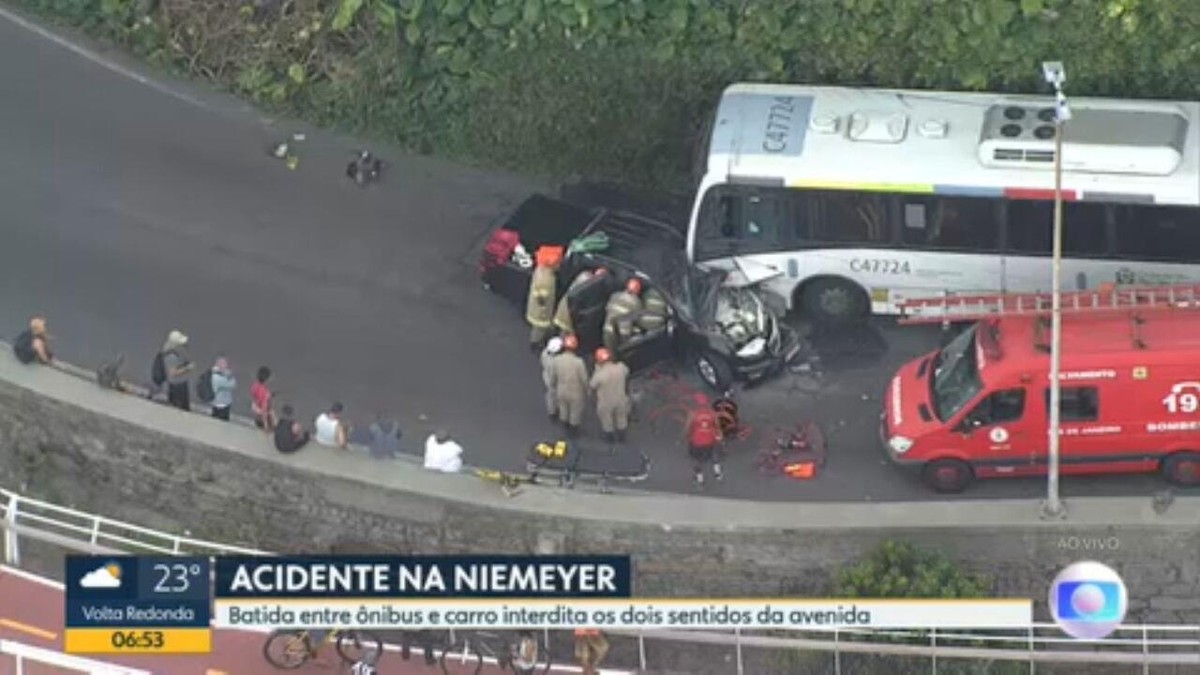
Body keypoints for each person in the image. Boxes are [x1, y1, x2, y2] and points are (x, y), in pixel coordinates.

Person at [551, 334, 589, 438]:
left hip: (561, 390)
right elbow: (584, 379)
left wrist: (553, 385)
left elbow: (553, 376)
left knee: (563, 410)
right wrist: (588, 390)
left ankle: (564, 428)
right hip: (575, 392)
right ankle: (573, 432)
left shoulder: (557, 360)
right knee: (575, 412)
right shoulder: (579, 362)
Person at [590, 348, 630, 443]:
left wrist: (597, 370)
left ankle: (610, 439)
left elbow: (592, 385)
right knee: (621, 418)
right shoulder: (621, 368)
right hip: (621, 399)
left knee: (607, 420)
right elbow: (627, 371)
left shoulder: (599, 375)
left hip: (606, 402)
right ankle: (622, 437)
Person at [525, 246, 560, 352]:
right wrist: (544, 306)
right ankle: (535, 343)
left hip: (540, 308)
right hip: (541, 311)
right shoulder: (545, 277)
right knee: (539, 328)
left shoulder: (542, 269)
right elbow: (541, 297)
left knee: (540, 327)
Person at [685, 395, 724, 487]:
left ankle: (700, 480)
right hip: (710, 440)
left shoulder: (693, 413)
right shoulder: (712, 413)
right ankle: (718, 473)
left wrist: (684, 437)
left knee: (696, 460)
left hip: (696, 442)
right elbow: (718, 427)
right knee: (714, 455)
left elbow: (687, 427)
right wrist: (720, 436)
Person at [553, 267, 606, 335]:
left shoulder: (584, 276)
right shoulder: (588, 287)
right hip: (568, 315)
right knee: (564, 336)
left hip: (562, 308)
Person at [603, 277, 644, 352]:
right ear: (637, 290)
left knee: (610, 352)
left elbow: (607, 309)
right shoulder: (636, 302)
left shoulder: (614, 295)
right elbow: (637, 319)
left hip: (608, 330)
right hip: (623, 334)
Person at [159, 330, 193, 411]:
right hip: (178, 386)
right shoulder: (171, 357)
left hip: (178, 384)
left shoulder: (172, 352)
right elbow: (173, 373)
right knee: (181, 409)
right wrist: (187, 368)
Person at [540, 337, 563, 420]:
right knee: (554, 394)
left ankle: (552, 410)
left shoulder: (544, 353)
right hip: (553, 379)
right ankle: (555, 410)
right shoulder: (555, 361)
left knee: (550, 394)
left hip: (546, 376)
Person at [250, 366, 276, 432]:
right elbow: (264, 409)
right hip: (262, 412)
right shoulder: (265, 392)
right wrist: (266, 426)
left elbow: (254, 395)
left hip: (256, 407)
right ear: (267, 379)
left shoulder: (254, 385)